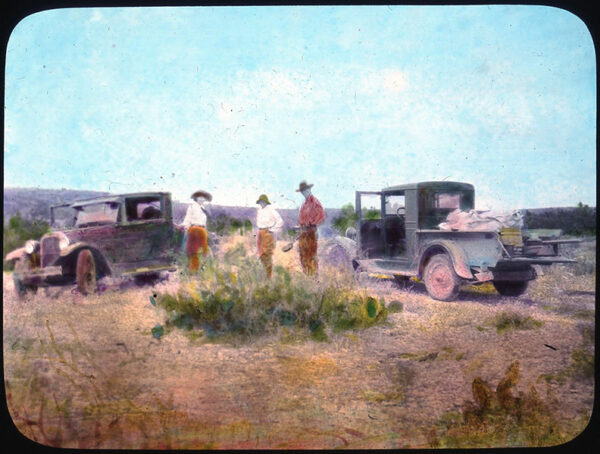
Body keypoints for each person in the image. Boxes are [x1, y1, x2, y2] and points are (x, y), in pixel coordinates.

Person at [296, 181, 326, 275]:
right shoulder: (304, 204)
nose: (304, 192)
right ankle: (307, 275)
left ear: (309, 190)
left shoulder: (315, 202)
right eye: (302, 191)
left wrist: (312, 224)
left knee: (311, 254)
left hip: (311, 232)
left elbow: (321, 215)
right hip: (303, 232)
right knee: (303, 254)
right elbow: (301, 219)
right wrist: (301, 227)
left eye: (305, 190)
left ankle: (313, 276)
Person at [181, 190, 212, 273]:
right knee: (194, 250)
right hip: (194, 230)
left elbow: (204, 222)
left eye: (203, 198)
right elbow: (188, 218)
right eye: (200, 197)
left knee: (204, 250)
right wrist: (185, 226)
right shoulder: (192, 207)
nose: (202, 199)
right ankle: (193, 271)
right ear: (196, 198)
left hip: (202, 230)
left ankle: (203, 270)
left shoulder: (203, 209)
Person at [255, 194, 284, 279]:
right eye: (260, 202)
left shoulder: (271, 210)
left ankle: (269, 276)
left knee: (267, 254)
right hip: (260, 233)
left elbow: (280, 221)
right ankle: (264, 274)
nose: (261, 203)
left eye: (263, 202)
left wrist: (272, 230)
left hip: (267, 233)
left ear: (266, 202)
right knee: (261, 254)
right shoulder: (259, 210)